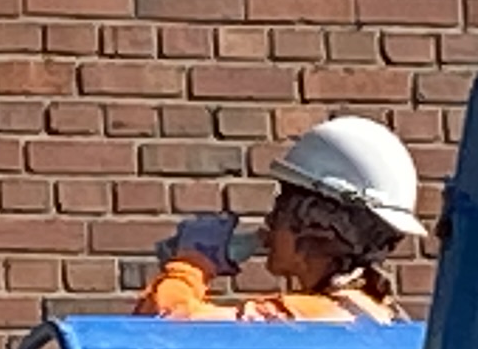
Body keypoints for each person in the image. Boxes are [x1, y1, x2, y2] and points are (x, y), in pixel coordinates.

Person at [134, 113, 426, 321]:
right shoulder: (374, 314)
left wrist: (192, 263)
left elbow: (167, 325)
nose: (270, 224)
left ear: (318, 228)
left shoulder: (310, 319)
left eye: (281, 209)